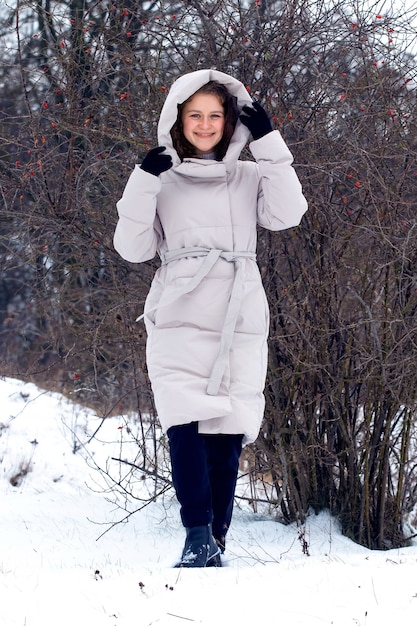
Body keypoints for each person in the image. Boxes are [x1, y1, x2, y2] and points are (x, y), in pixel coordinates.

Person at [114, 69, 307, 567]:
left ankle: (215, 541)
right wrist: (141, 181)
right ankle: (195, 533)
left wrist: (268, 144)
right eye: (194, 115)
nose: (204, 125)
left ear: (229, 121)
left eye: (214, 115)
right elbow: (133, 249)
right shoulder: (161, 177)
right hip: (179, 309)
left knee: (226, 432)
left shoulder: (247, 175)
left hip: (238, 311)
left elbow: (287, 214)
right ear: (178, 119)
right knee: (183, 423)